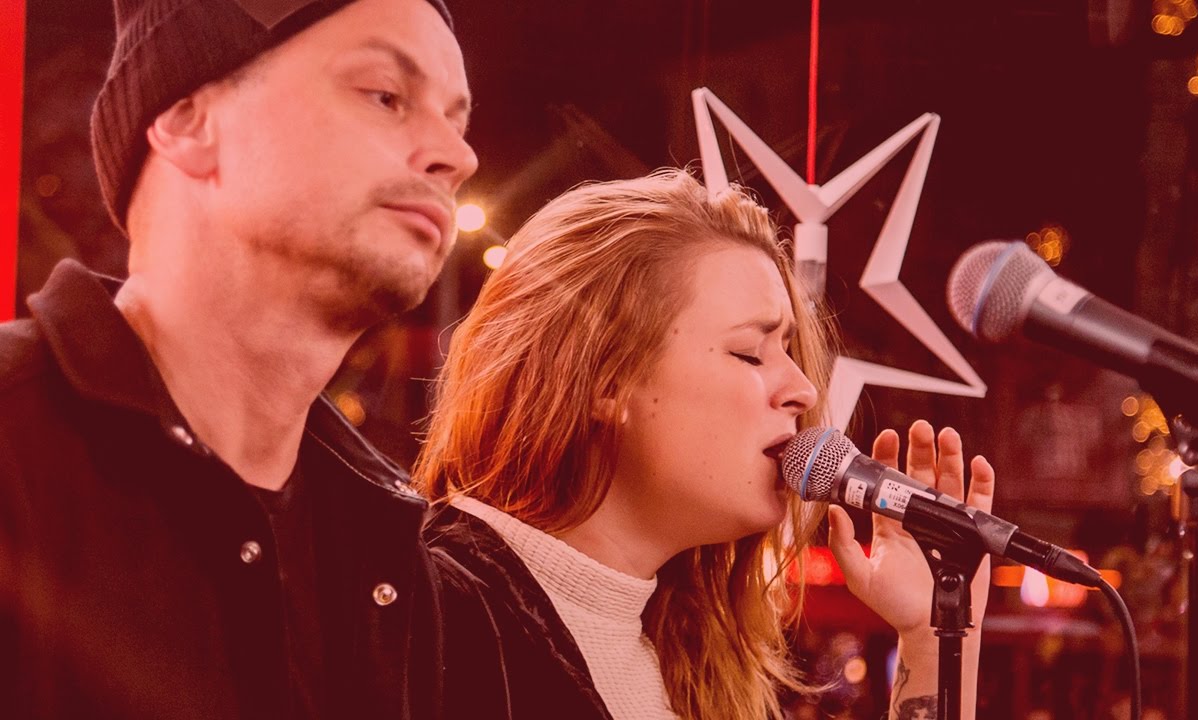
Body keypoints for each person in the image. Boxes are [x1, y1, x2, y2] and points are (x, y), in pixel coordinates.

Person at [0, 0, 476, 717]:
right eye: (386, 95)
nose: (459, 157)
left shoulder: (389, 546)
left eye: (458, 118)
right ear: (188, 122)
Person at [416, 168, 995, 720]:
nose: (800, 389)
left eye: (790, 352)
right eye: (750, 352)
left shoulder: (678, 652)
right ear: (605, 378)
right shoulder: (430, 623)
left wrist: (932, 639)